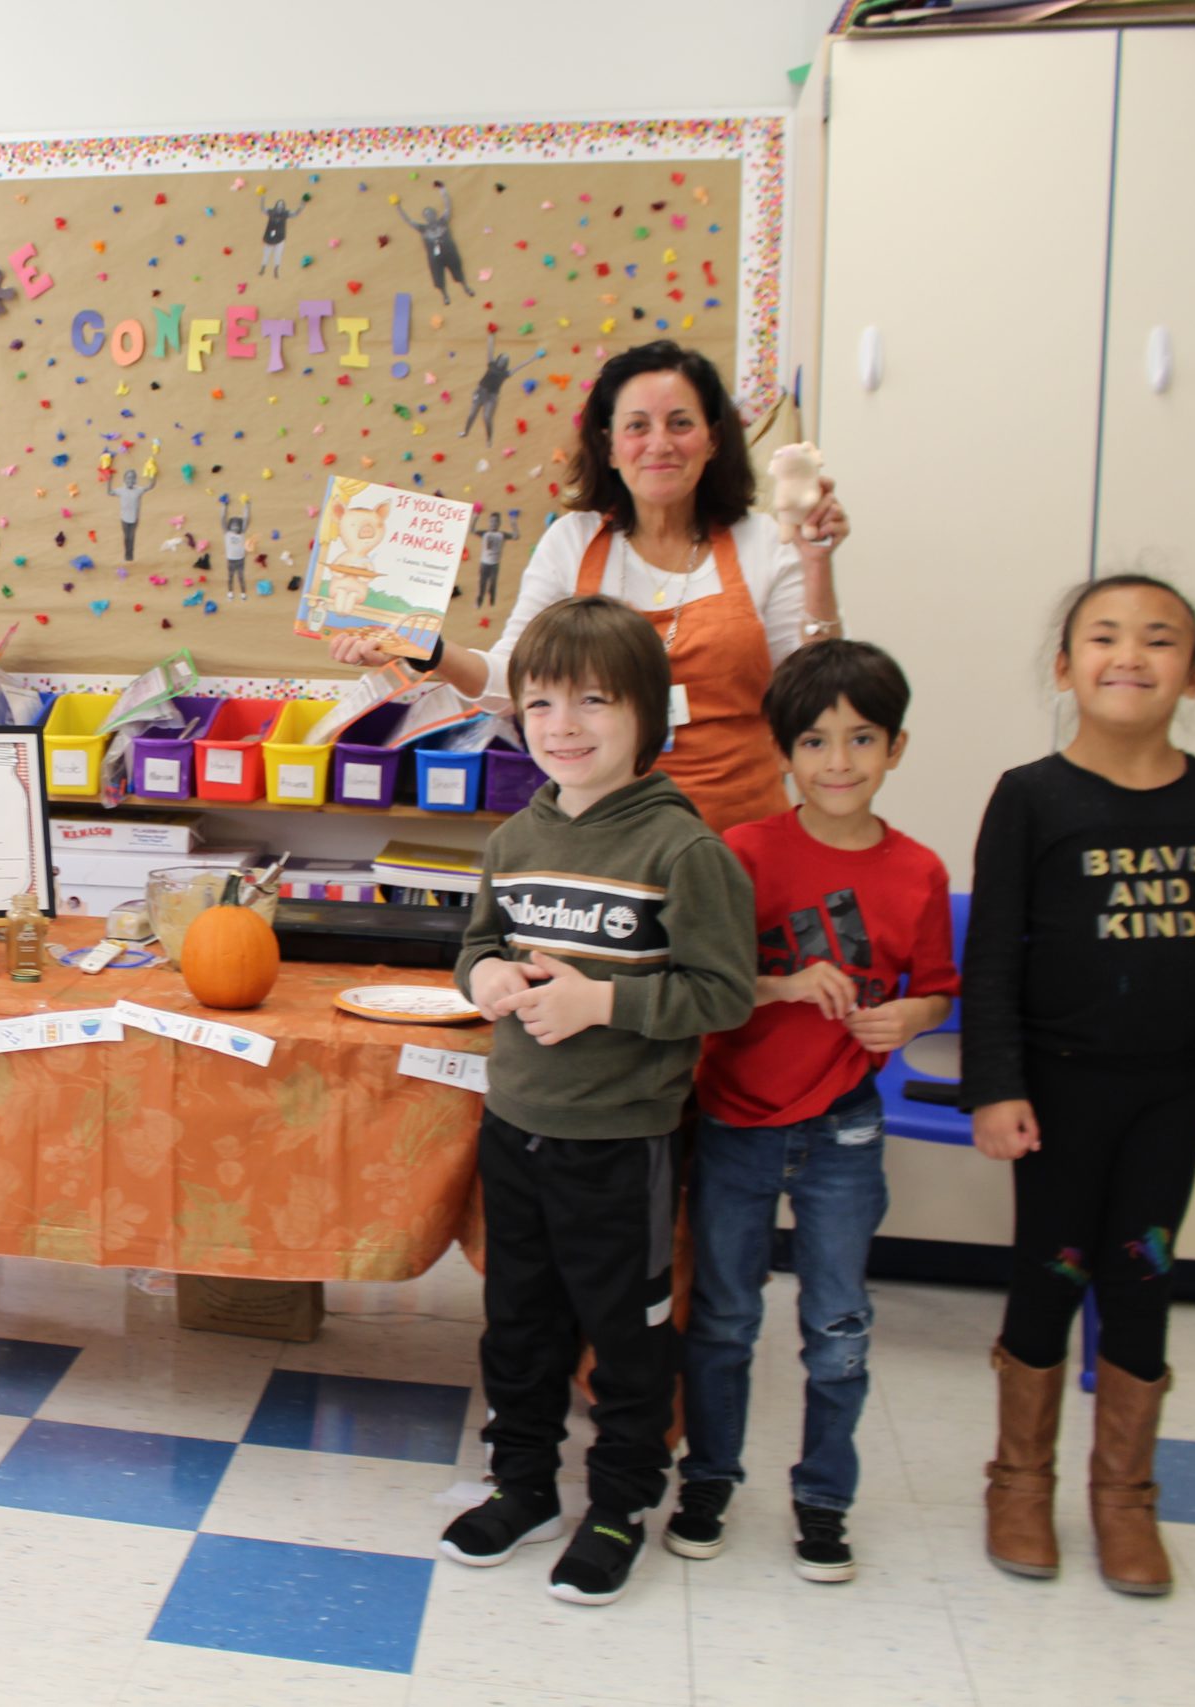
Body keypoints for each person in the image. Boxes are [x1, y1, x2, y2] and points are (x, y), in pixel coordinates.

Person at [964, 575, 1195, 1598]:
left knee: (1142, 1280)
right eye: (1102, 637)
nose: (1129, 655)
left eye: (1158, 639)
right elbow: (995, 966)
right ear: (1064, 668)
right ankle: (1018, 1485)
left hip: (1167, 1093)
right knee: (1046, 1278)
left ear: (1194, 675)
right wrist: (992, 1086)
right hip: (1055, 1094)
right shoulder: (1030, 796)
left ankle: (1123, 1500)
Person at [440, 596, 756, 1605]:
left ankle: (619, 1503)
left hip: (621, 1143)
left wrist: (599, 1001)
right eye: (539, 704)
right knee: (516, 1326)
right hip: (516, 1130)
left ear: (647, 714)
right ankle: (522, 1485)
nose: (562, 725)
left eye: (591, 701)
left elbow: (722, 992)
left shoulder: (682, 851)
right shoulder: (512, 838)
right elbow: (476, 944)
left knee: (626, 1336)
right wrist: (481, 979)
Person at [667, 641, 957, 1583]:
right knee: (722, 1317)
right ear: (783, 752)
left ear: (897, 746)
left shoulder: (918, 870)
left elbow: (939, 992)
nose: (839, 760)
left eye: (861, 738)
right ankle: (708, 1477)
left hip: (845, 1128)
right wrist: (788, 984)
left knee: (838, 1323)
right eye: (817, 740)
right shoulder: (743, 853)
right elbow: (705, 988)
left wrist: (907, 1014)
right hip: (737, 1119)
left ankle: (824, 1498)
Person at [330, 339, 851, 832]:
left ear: (713, 438)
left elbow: (812, 692)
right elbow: (514, 680)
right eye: (638, 426)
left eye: (680, 422)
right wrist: (427, 649)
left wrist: (816, 565)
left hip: (738, 834)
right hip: (604, 839)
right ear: (609, 445)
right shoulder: (572, 543)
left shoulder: (764, 542)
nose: (660, 443)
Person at [397, 186, 470, 303]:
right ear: (424, 218)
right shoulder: (422, 228)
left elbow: (448, 206)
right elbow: (408, 221)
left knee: (458, 271)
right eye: (427, 215)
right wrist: (398, 207)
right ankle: (445, 296)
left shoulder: (443, 221)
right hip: (435, 258)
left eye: (431, 213)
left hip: (450, 252)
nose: (429, 216)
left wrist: (443, 191)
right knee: (438, 277)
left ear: (435, 214)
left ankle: (466, 288)